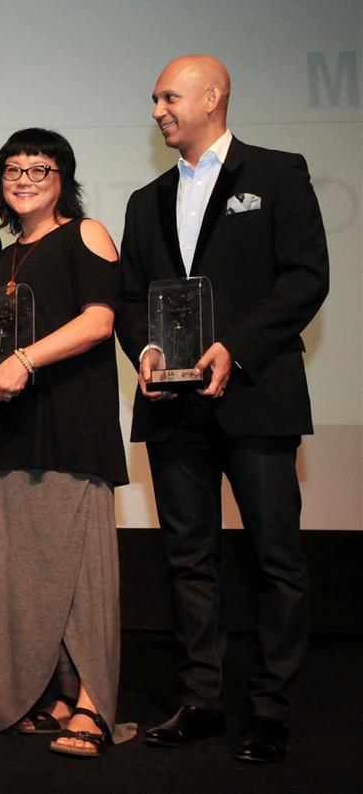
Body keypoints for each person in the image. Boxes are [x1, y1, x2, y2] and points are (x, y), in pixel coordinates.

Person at [116, 55, 329, 764]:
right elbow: (129, 298)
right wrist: (144, 349)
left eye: (168, 96)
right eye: (153, 99)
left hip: (255, 397)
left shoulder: (277, 174)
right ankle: (203, 697)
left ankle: (269, 705)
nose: (157, 110)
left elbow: (306, 278)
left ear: (214, 96)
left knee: (275, 557)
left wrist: (234, 348)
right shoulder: (145, 200)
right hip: (174, 410)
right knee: (189, 558)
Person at [0, 129, 127, 757]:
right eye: (12, 169)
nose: (23, 179)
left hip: (73, 420)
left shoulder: (85, 233)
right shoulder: (2, 253)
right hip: (14, 424)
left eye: (38, 168)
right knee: (32, 569)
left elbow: (100, 319)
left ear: (63, 176)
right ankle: (58, 692)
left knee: (83, 564)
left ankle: (95, 704)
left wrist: (24, 360)